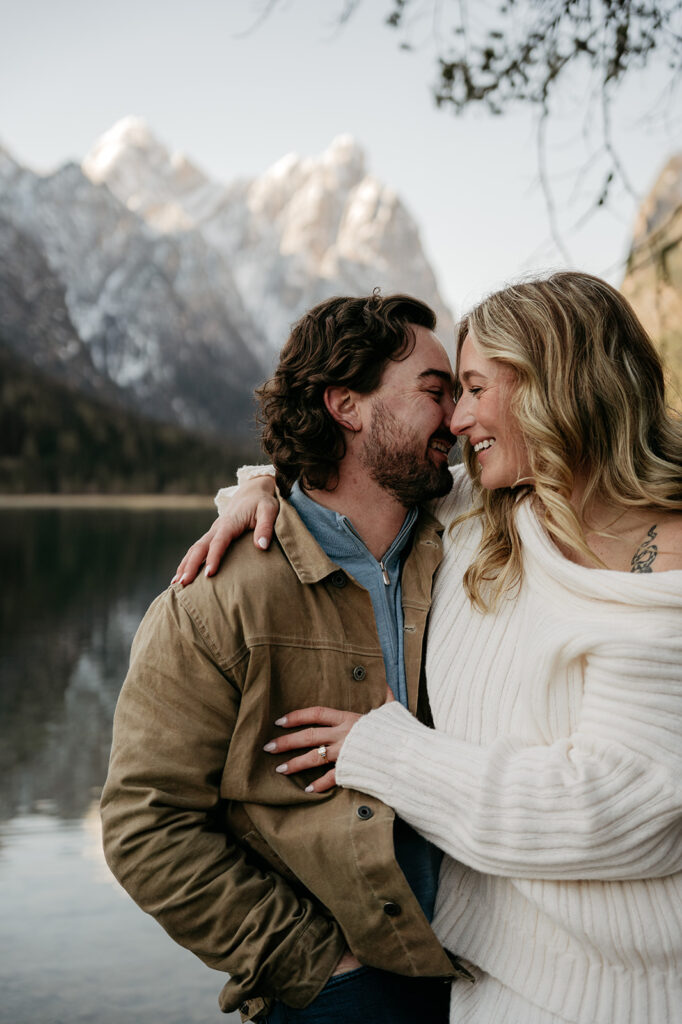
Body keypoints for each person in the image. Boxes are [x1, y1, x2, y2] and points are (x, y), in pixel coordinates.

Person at [177, 271, 682, 1024]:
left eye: (475, 388)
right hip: (481, 987)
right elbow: (350, 481)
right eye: (448, 391)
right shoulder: (486, 508)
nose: (458, 418)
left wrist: (384, 752)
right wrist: (261, 490)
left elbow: (617, 813)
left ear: (558, 385)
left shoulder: (666, 565)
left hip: (623, 996)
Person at [101, 292, 475, 1024]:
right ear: (347, 405)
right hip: (339, 994)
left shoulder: (470, 543)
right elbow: (145, 825)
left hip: (488, 974)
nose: (459, 418)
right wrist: (317, 965)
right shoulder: (216, 599)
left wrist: (254, 481)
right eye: (437, 392)